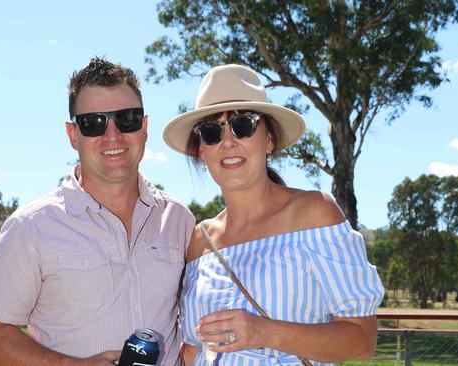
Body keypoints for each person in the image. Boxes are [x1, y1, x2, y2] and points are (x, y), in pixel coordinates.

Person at [0, 57, 195, 366]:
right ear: (73, 135)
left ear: (144, 127)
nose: (113, 135)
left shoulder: (180, 220)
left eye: (127, 118)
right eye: (94, 123)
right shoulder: (30, 227)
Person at [162, 64, 385, 366]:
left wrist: (264, 332)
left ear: (269, 140)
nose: (228, 142)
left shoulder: (314, 214)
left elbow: (360, 341)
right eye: (212, 132)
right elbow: (192, 350)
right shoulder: (199, 240)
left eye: (243, 126)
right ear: (202, 151)